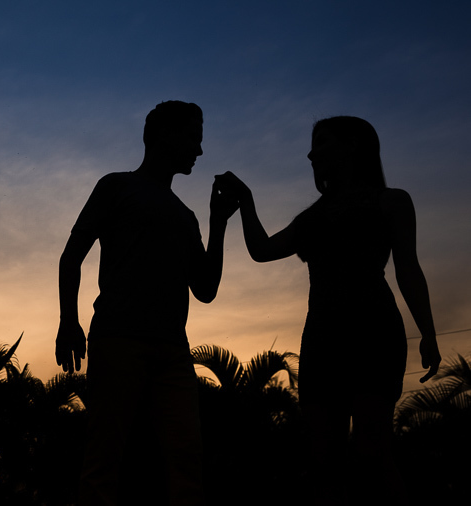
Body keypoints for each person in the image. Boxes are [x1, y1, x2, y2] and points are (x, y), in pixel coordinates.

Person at [217, 116, 441, 505]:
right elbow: (263, 250)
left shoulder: (391, 201)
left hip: (373, 333)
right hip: (321, 340)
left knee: (373, 452)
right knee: (323, 460)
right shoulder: (313, 217)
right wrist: (247, 201)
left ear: (352, 145)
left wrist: (428, 332)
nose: (310, 152)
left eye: (321, 142)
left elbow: (408, 267)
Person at [55, 100, 238, 506]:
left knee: (186, 460)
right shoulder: (116, 186)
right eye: (193, 138)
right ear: (164, 135)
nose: (199, 150)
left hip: (173, 351)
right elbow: (72, 256)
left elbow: (205, 288)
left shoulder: (185, 216)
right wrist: (70, 321)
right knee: (105, 459)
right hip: (118, 340)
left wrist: (219, 222)